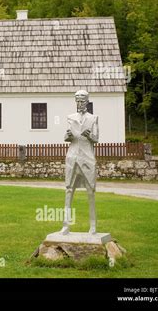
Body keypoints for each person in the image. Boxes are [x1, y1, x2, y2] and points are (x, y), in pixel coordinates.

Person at [60, 90, 99, 235]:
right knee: (69, 189)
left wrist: (90, 135)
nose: (80, 104)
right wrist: (68, 136)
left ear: (87, 102)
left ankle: (93, 225)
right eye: (77, 101)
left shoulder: (93, 118)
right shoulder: (71, 118)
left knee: (91, 191)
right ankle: (65, 225)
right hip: (72, 156)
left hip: (87, 157)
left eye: (82, 101)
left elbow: (96, 138)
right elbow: (67, 137)